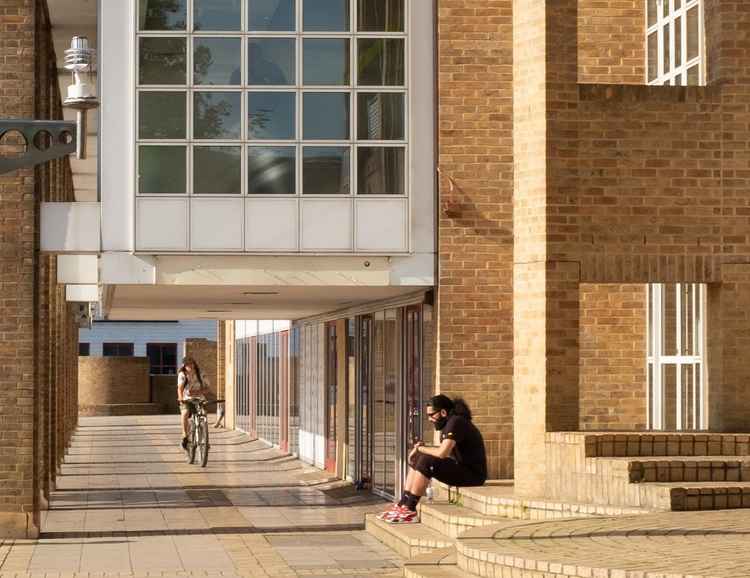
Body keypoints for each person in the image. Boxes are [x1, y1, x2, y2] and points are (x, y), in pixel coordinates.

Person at [378, 394, 487, 524]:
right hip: (462, 469)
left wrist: (419, 449)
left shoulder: (456, 422)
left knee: (426, 460)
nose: (429, 419)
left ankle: (410, 509)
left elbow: (442, 453)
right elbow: (443, 449)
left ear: (443, 412)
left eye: (431, 415)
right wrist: (421, 449)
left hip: (473, 475)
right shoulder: (451, 423)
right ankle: (403, 503)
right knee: (421, 457)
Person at [177, 357, 210, 450]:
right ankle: (185, 435)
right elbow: (180, 388)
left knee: (203, 414)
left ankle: (205, 439)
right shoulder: (182, 374)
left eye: (192, 364)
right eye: (187, 365)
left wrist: (199, 392)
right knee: (185, 413)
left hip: (199, 398)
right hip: (187, 399)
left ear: (194, 364)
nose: (190, 366)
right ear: (184, 366)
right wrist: (180, 398)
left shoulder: (201, 374)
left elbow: (208, 388)